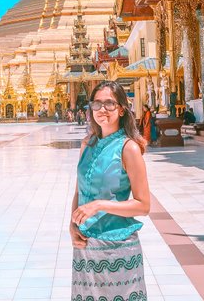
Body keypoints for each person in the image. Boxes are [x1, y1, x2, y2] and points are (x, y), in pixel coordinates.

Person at [70, 81, 149, 301]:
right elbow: (79, 191)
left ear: (122, 109)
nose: (102, 109)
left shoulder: (129, 147)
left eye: (109, 104)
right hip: (85, 246)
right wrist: (72, 224)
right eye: (97, 104)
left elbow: (143, 205)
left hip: (117, 248)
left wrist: (100, 205)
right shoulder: (87, 143)